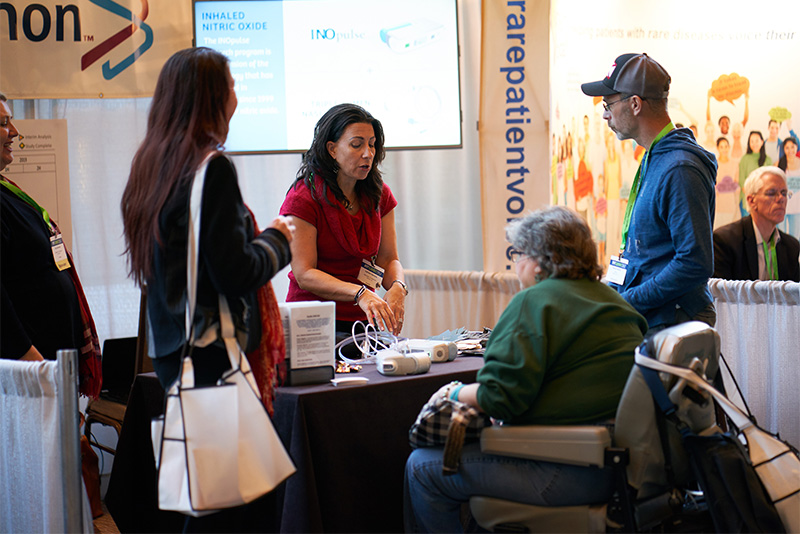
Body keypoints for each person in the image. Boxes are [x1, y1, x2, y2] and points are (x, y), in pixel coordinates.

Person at [121, 47, 294, 530]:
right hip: (213, 354)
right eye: (233, 86)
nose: (239, 97)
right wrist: (279, 241)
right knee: (232, 508)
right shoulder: (211, 168)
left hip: (176, 352)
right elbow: (235, 272)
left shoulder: (150, 165)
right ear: (212, 99)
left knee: (212, 498)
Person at [403, 207, 648, 533]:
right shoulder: (616, 303)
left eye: (519, 255)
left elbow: (500, 398)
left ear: (539, 260)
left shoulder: (535, 302)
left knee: (421, 467)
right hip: (621, 470)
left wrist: (455, 391)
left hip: (566, 471)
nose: (516, 265)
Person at [581, 53, 718, 331]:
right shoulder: (656, 156)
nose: (605, 114)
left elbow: (694, 263)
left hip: (674, 322)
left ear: (634, 104)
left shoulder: (680, 168)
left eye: (608, 104)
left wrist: (627, 302)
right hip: (654, 318)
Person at [1, 91, 102, 395]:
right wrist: (29, 358)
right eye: (5, 123)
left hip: (47, 368)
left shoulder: (8, 191)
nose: (15, 133)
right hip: (28, 373)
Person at [280, 103, 406, 338]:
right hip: (313, 321)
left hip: (363, 321)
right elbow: (304, 273)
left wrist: (399, 286)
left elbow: (389, 260)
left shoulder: (380, 194)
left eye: (371, 144)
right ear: (332, 149)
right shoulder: (304, 197)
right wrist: (361, 293)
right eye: (356, 145)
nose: (368, 153)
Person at [713, 166, 799, 282]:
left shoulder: (792, 247)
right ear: (751, 200)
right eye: (771, 193)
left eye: (784, 193)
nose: (781, 199)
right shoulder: (725, 241)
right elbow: (721, 297)